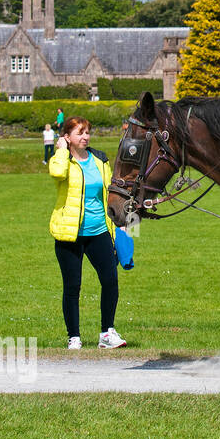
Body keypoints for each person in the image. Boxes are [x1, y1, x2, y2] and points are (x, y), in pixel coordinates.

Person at [49, 117, 126, 350]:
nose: (85, 137)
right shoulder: (62, 160)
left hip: (99, 230)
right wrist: (62, 150)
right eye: (79, 133)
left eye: (87, 133)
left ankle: (106, 333)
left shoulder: (101, 159)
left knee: (110, 281)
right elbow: (57, 174)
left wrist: (120, 223)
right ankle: (74, 337)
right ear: (67, 137)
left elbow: (111, 191)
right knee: (73, 286)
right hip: (69, 233)